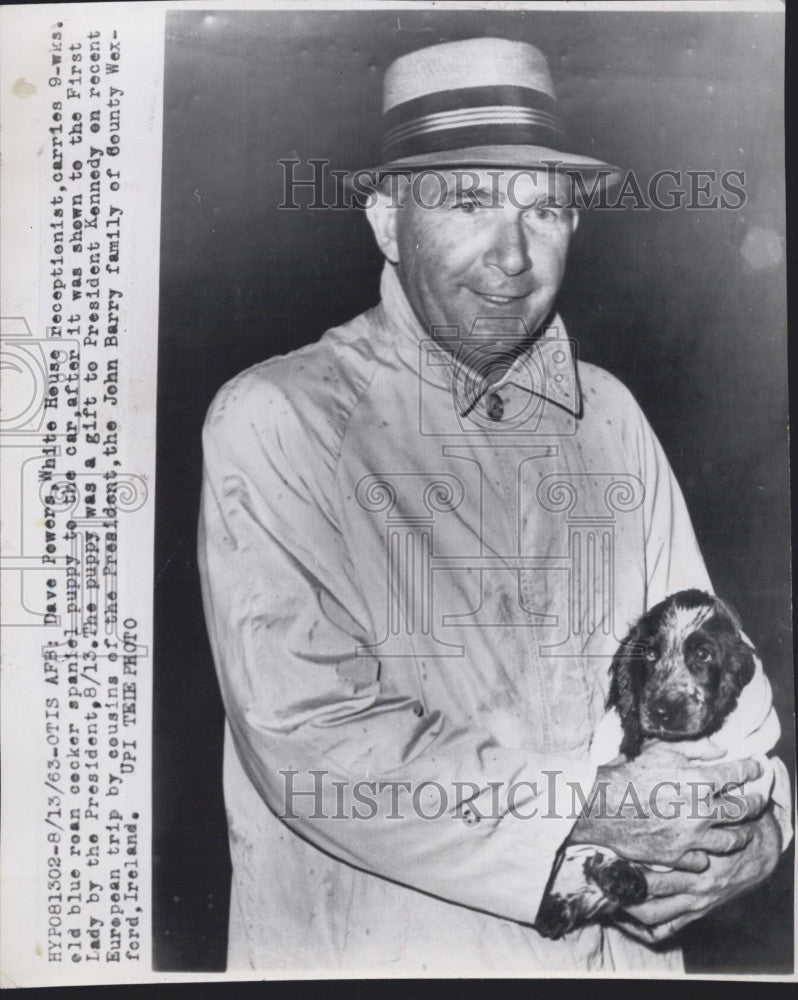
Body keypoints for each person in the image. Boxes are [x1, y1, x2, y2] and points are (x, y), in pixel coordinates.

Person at [198, 37, 791, 974]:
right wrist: (595, 808)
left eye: (544, 208)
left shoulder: (613, 419)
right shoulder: (281, 419)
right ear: (387, 221)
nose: (512, 256)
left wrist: (760, 834)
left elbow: (723, 673)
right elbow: (311, 740)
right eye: (468, 202)